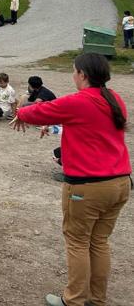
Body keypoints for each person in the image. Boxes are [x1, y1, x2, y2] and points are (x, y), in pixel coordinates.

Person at [11, 53, 130, 306]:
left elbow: (39, 111)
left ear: (82, 75)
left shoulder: (79, 101)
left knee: (77, 242)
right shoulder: (114, 98)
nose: (73, 76)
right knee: (99, 242)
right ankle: (96, 300)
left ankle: (73, 299)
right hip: (120, 183)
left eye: (74, 71)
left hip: (88, 187)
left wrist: (20, 112)